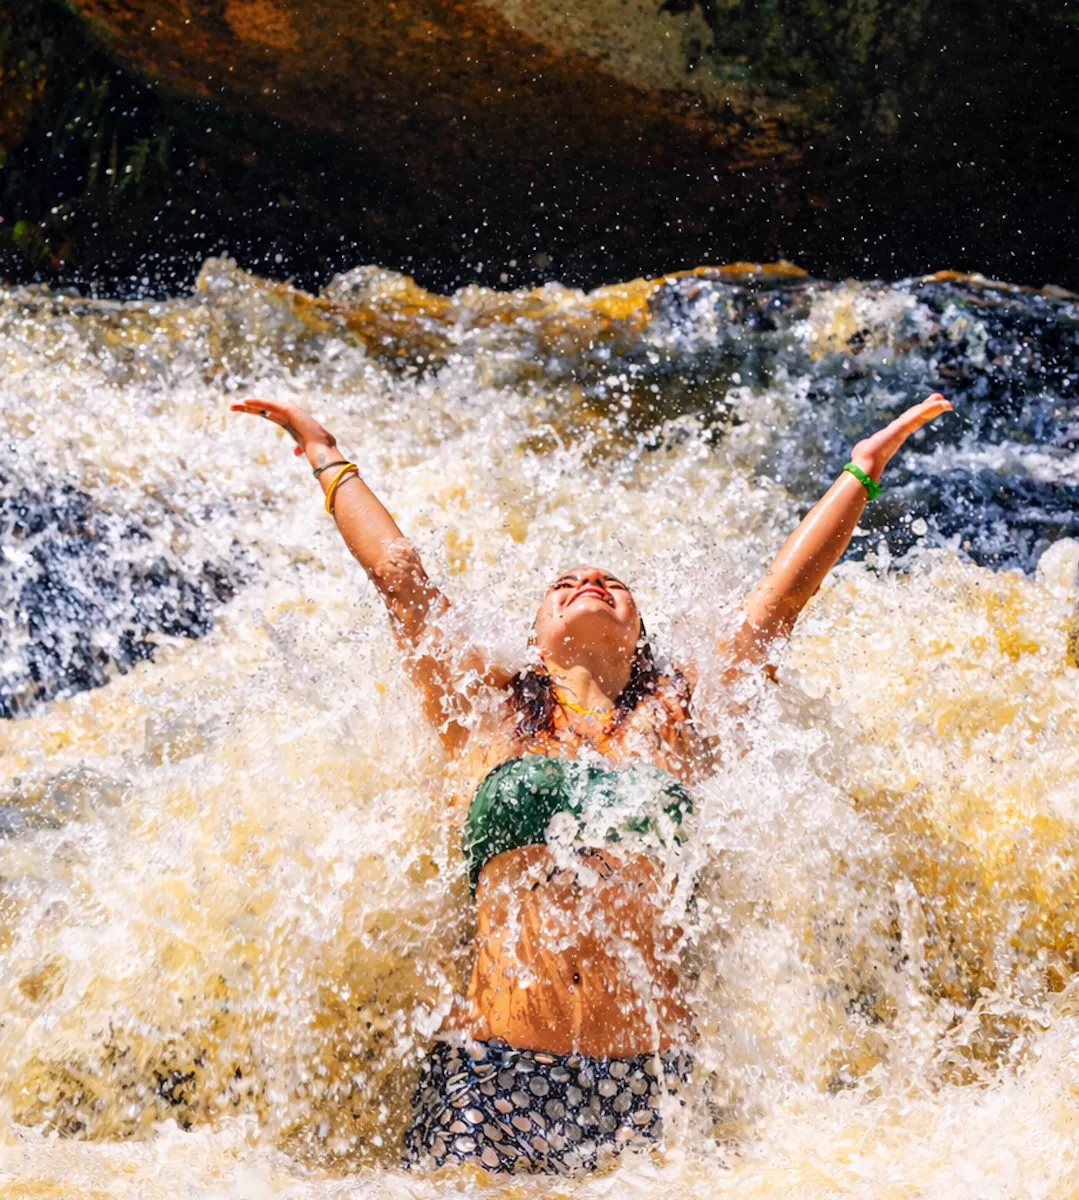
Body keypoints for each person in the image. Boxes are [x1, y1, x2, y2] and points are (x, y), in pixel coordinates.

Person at [232, 390, 952, 1173]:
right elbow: (401, 578)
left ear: (639, 629)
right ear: (536, 633)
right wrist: (324, 450)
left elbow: (776, 607)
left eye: (612, 581)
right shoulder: (488, 713)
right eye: (564, 583)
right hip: (490, 1070)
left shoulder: (682, 719)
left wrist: (863, 469)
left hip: (653, 1080)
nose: (589, 583)